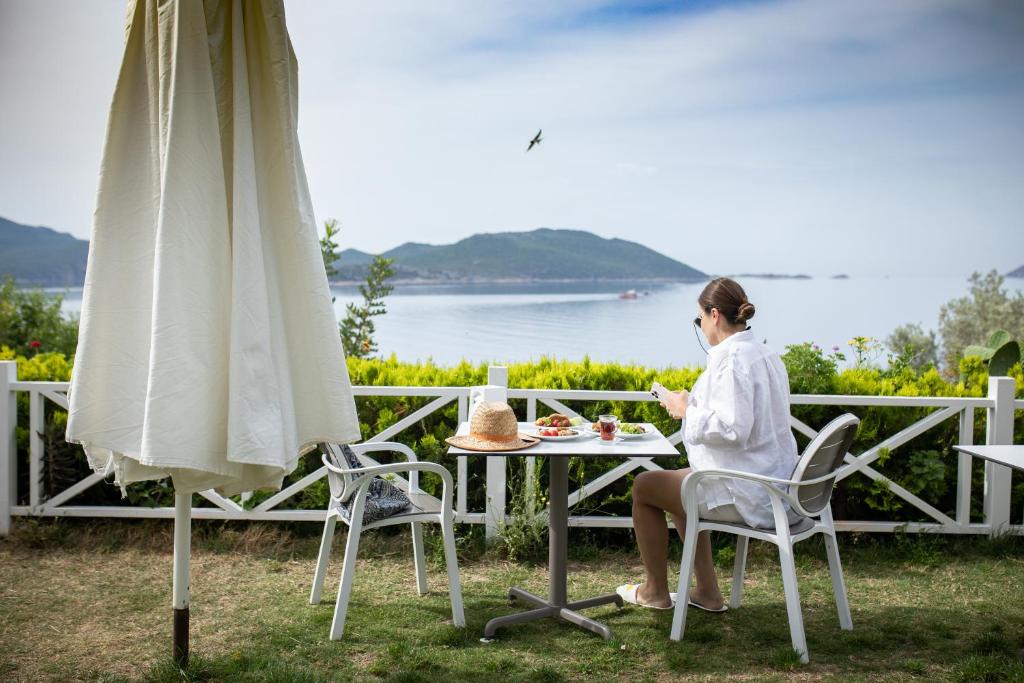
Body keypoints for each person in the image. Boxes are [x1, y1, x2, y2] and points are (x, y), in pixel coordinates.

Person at [616, 277, 799, 611]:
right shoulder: (766, 355)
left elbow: (734, 429)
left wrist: (686, 410)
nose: (700, 325)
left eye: (699, 318)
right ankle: (707, 593)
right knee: (682, 487)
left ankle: (655, 591)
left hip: (749, 491)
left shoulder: (731, 361)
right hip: (776, 484)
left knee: (644, 487)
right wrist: (691, 406)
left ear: (715, 315)